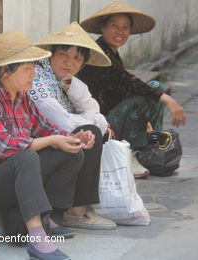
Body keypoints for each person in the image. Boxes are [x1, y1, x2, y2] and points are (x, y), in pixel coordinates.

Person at [0, 30, 97, 260]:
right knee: (25, 156)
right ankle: (37, 239)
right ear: (5, 70)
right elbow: (5, 147)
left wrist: (74, 138)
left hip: (11, 180)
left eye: (34, 67)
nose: (34, 74)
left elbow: (46, 129)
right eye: (27, 69)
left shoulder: (22, 97)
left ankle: (42, 217)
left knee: (71, 154)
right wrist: (53, 140)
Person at [77, 0, 187, 178]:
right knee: (145, 96)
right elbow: (128, 82)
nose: (120, 32)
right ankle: (131, 153)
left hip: (113, 112)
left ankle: (149, 147)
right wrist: (168, 99)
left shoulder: (111, 51)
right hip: (99, 122)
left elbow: (123, 87)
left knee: (156, 87)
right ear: (103, 27)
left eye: (125, 27)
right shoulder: (97, 54)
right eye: (114, 26)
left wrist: (146, 123)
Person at [30, 22, 117, 230]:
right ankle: (77, 211)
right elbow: (63, 122)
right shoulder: (37, 77)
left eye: (77, 58)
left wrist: (74, 87)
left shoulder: (62, 81)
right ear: (50, 54)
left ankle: (76, 207)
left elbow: (91, 105)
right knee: (91, 131)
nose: (69, 62)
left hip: (49, 147)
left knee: (94, 129)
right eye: (63, 54)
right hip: (32, 151)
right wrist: (99, 121)